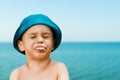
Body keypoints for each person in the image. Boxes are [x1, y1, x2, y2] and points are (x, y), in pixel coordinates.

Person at [10, 14, 69, 80]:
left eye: (45, 37)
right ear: (21, 45)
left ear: (53, 43)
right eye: (33, 37)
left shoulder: (59, 68)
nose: (40, 40)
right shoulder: (17, 74)